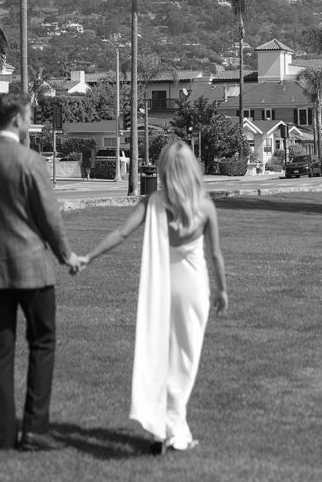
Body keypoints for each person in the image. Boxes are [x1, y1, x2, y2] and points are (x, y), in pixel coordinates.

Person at [77, 139, 228, 454]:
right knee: (184, 359)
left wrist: (89, 256)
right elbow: (215, 255)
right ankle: (174, 425)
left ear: (164, 171)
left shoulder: (154, 202)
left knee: (159, 353)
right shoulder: (204, 206)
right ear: (191, 169)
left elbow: (121, 233)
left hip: (161, 289)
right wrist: (222, 290)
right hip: (193, 289)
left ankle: (162, 429)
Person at [0, 91, 80, 452]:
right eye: (28, 116)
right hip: (33, 270)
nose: (30, 122)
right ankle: (36, 429)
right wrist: (66, 255)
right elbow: (49, 219)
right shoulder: (30, 161)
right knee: (43, 343)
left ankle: (4, 436)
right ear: (16, 119)